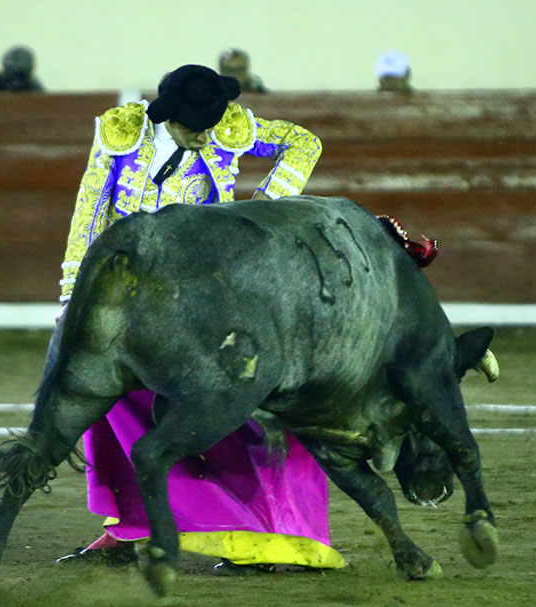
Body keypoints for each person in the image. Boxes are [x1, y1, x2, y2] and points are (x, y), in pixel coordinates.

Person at [55, 63, 343, 573]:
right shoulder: (121, 135)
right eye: (194, 128)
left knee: (238, 410)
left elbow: (304, 143)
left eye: (211, 126)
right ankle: (127, 527)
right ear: (166, 117)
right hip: (130, 293)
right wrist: (73, 297)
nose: (206, 136)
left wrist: (260, 215)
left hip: (207, 294)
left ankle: (260, 531)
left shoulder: (226, 130)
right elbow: (89, 212)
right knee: (109, 404)